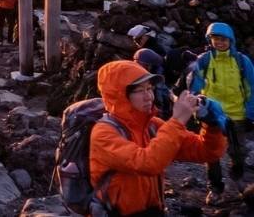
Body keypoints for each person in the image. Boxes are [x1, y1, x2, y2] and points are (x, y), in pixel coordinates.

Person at [90, 60, 227, 216]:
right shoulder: (103, 133)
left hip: (153, 211)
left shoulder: (151, 125)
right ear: (119, 95)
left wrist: (211, 126)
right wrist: (178, 121)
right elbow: (147, 163)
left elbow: (206, 152)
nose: (149, 96)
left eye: (149, 88)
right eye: (139, 90)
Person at [189, 22, 254, 205]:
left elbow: (252, 89)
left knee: (238, 152)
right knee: (212, 154)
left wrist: (251, 114)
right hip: (212, 115)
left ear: (230, 40)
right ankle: (215, 189)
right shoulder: (203, 60)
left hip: (237, 115)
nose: (219, 42)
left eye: (223, 39)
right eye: (215, 39)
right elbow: (195, 86)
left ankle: (238, 179)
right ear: (210, 40)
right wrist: (197, 110)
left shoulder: (242, 61)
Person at [133, 48, 173, 120]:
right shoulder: (138, 64)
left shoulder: (154, 67)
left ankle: (163, 111)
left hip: (157, 67)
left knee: (159, 89)